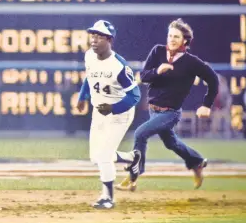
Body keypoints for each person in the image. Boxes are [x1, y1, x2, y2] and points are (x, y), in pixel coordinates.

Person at [116, 18, 219, 192]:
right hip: (153, 110)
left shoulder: (191, 62)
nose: (171, 39)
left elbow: (213, 79)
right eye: (170, 35)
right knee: (171, 143)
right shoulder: (157, 52)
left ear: (184, 40)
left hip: (170, 113)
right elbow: (144, 76)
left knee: (140, 134)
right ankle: (197, 161)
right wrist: (158, 70)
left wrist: (206, 105)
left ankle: (134, 176)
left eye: (176, 36)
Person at [77, 20, 141, 209]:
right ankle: (131, 157)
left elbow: (135, 96)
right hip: (100, 111)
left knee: (104, 155)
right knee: (96, 156)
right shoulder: (89, 56)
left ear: (109, 40)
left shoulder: (118, 66)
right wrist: (82, 97)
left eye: (99, 36)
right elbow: (90, 77)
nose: (94, 40)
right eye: (93, 35)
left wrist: (113, 108)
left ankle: (108, 197)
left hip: (120, 112)